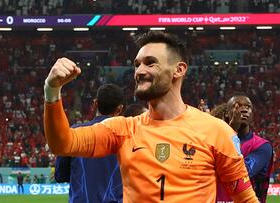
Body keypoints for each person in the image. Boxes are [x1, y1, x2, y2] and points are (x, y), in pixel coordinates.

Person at [43, 31, 258, 202]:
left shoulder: (216, 132)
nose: (139, 71)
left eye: (150, 62)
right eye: (137, 64)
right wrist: (51, 90)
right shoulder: (122, 130)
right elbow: (63, 143)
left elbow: (245, 199)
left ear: (179, 70)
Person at [55, 84, 125, 203]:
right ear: (119, 109)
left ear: (95, 103)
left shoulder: (74, 133)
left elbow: (61, 175)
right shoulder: (128, 136)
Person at [216, 93, 273, 203]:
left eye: (248, 107)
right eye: (237, 106)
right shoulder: (214, 141)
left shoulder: (262, 146)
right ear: (227, 114)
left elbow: (241, 172)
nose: (244, 109)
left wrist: (231, 131)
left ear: (252, 114)